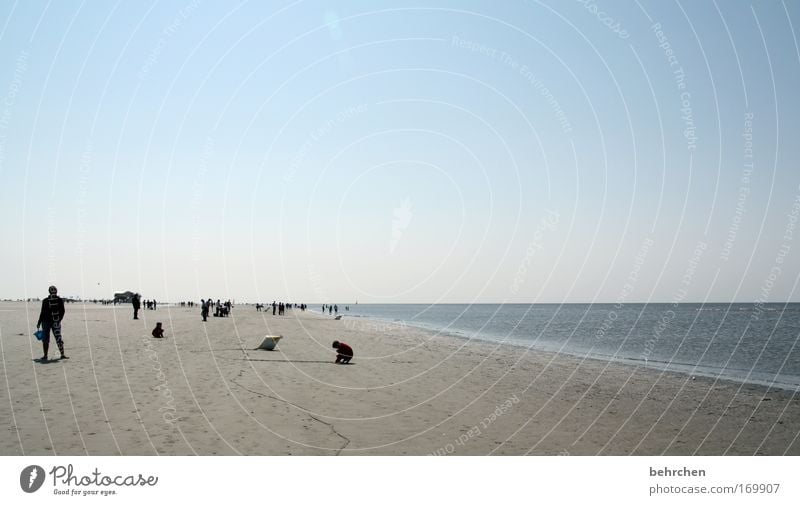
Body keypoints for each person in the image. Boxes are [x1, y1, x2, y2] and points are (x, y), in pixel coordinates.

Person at [36, 285, 67, 362]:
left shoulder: (45, 300)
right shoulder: (59, 300)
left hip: (45, 322)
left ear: (49, 291)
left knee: (45, 339)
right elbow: (63, 311)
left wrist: (39, 322)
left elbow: (42, 312)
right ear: (56, 291)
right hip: (55, 321)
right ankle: (62, 354)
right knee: (58, 338)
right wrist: (59, 320)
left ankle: (45, 356)